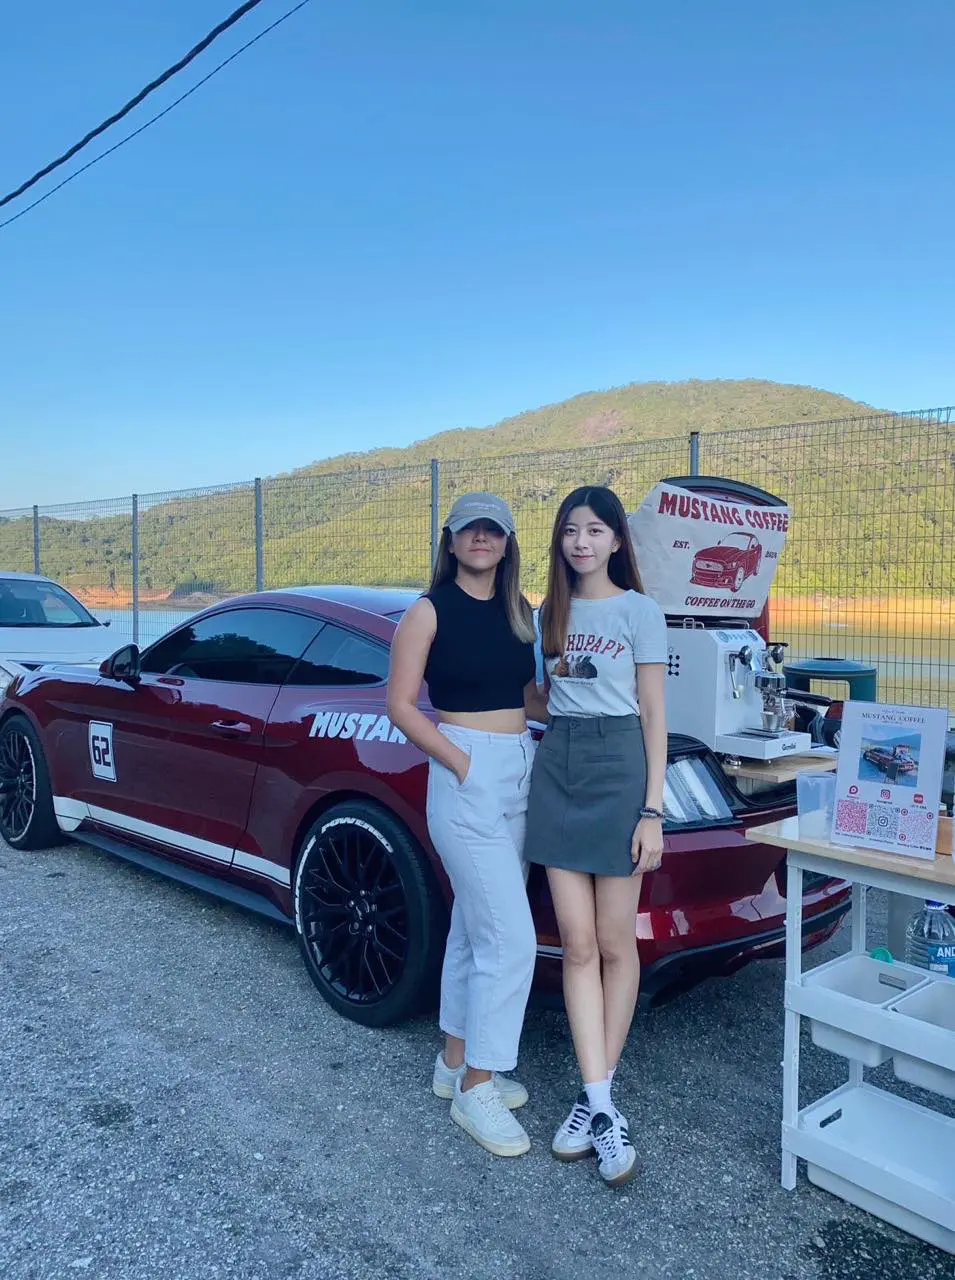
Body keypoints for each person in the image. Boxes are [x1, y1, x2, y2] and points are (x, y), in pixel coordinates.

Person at [386, 491, 546, 1157]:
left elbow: (528, 695)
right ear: (450, 542)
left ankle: (453, 1061)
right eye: (468, 530)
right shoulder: (427, 611)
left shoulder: (520, 613)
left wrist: (580, 697)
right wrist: (460, 762)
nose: (481, 539)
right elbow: (400, 705)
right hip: (466, 772)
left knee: (472, 930)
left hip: (520, 763)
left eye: (493, 530)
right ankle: (479, 1087)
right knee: (512, 941)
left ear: (507, 544)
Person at [524, 485, 668, 1188]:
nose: (580, 542)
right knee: (575, 945)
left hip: (618, 771)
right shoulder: (546, 612)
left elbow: (652, 714)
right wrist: (537, 684)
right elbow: (538, 700)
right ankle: (602, 1102)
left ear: (616, 540)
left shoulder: (640, 611)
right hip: (558, 765)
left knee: (615, 943)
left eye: (594, 530)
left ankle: (594, 1100)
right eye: (569, 531)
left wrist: (652, 811)